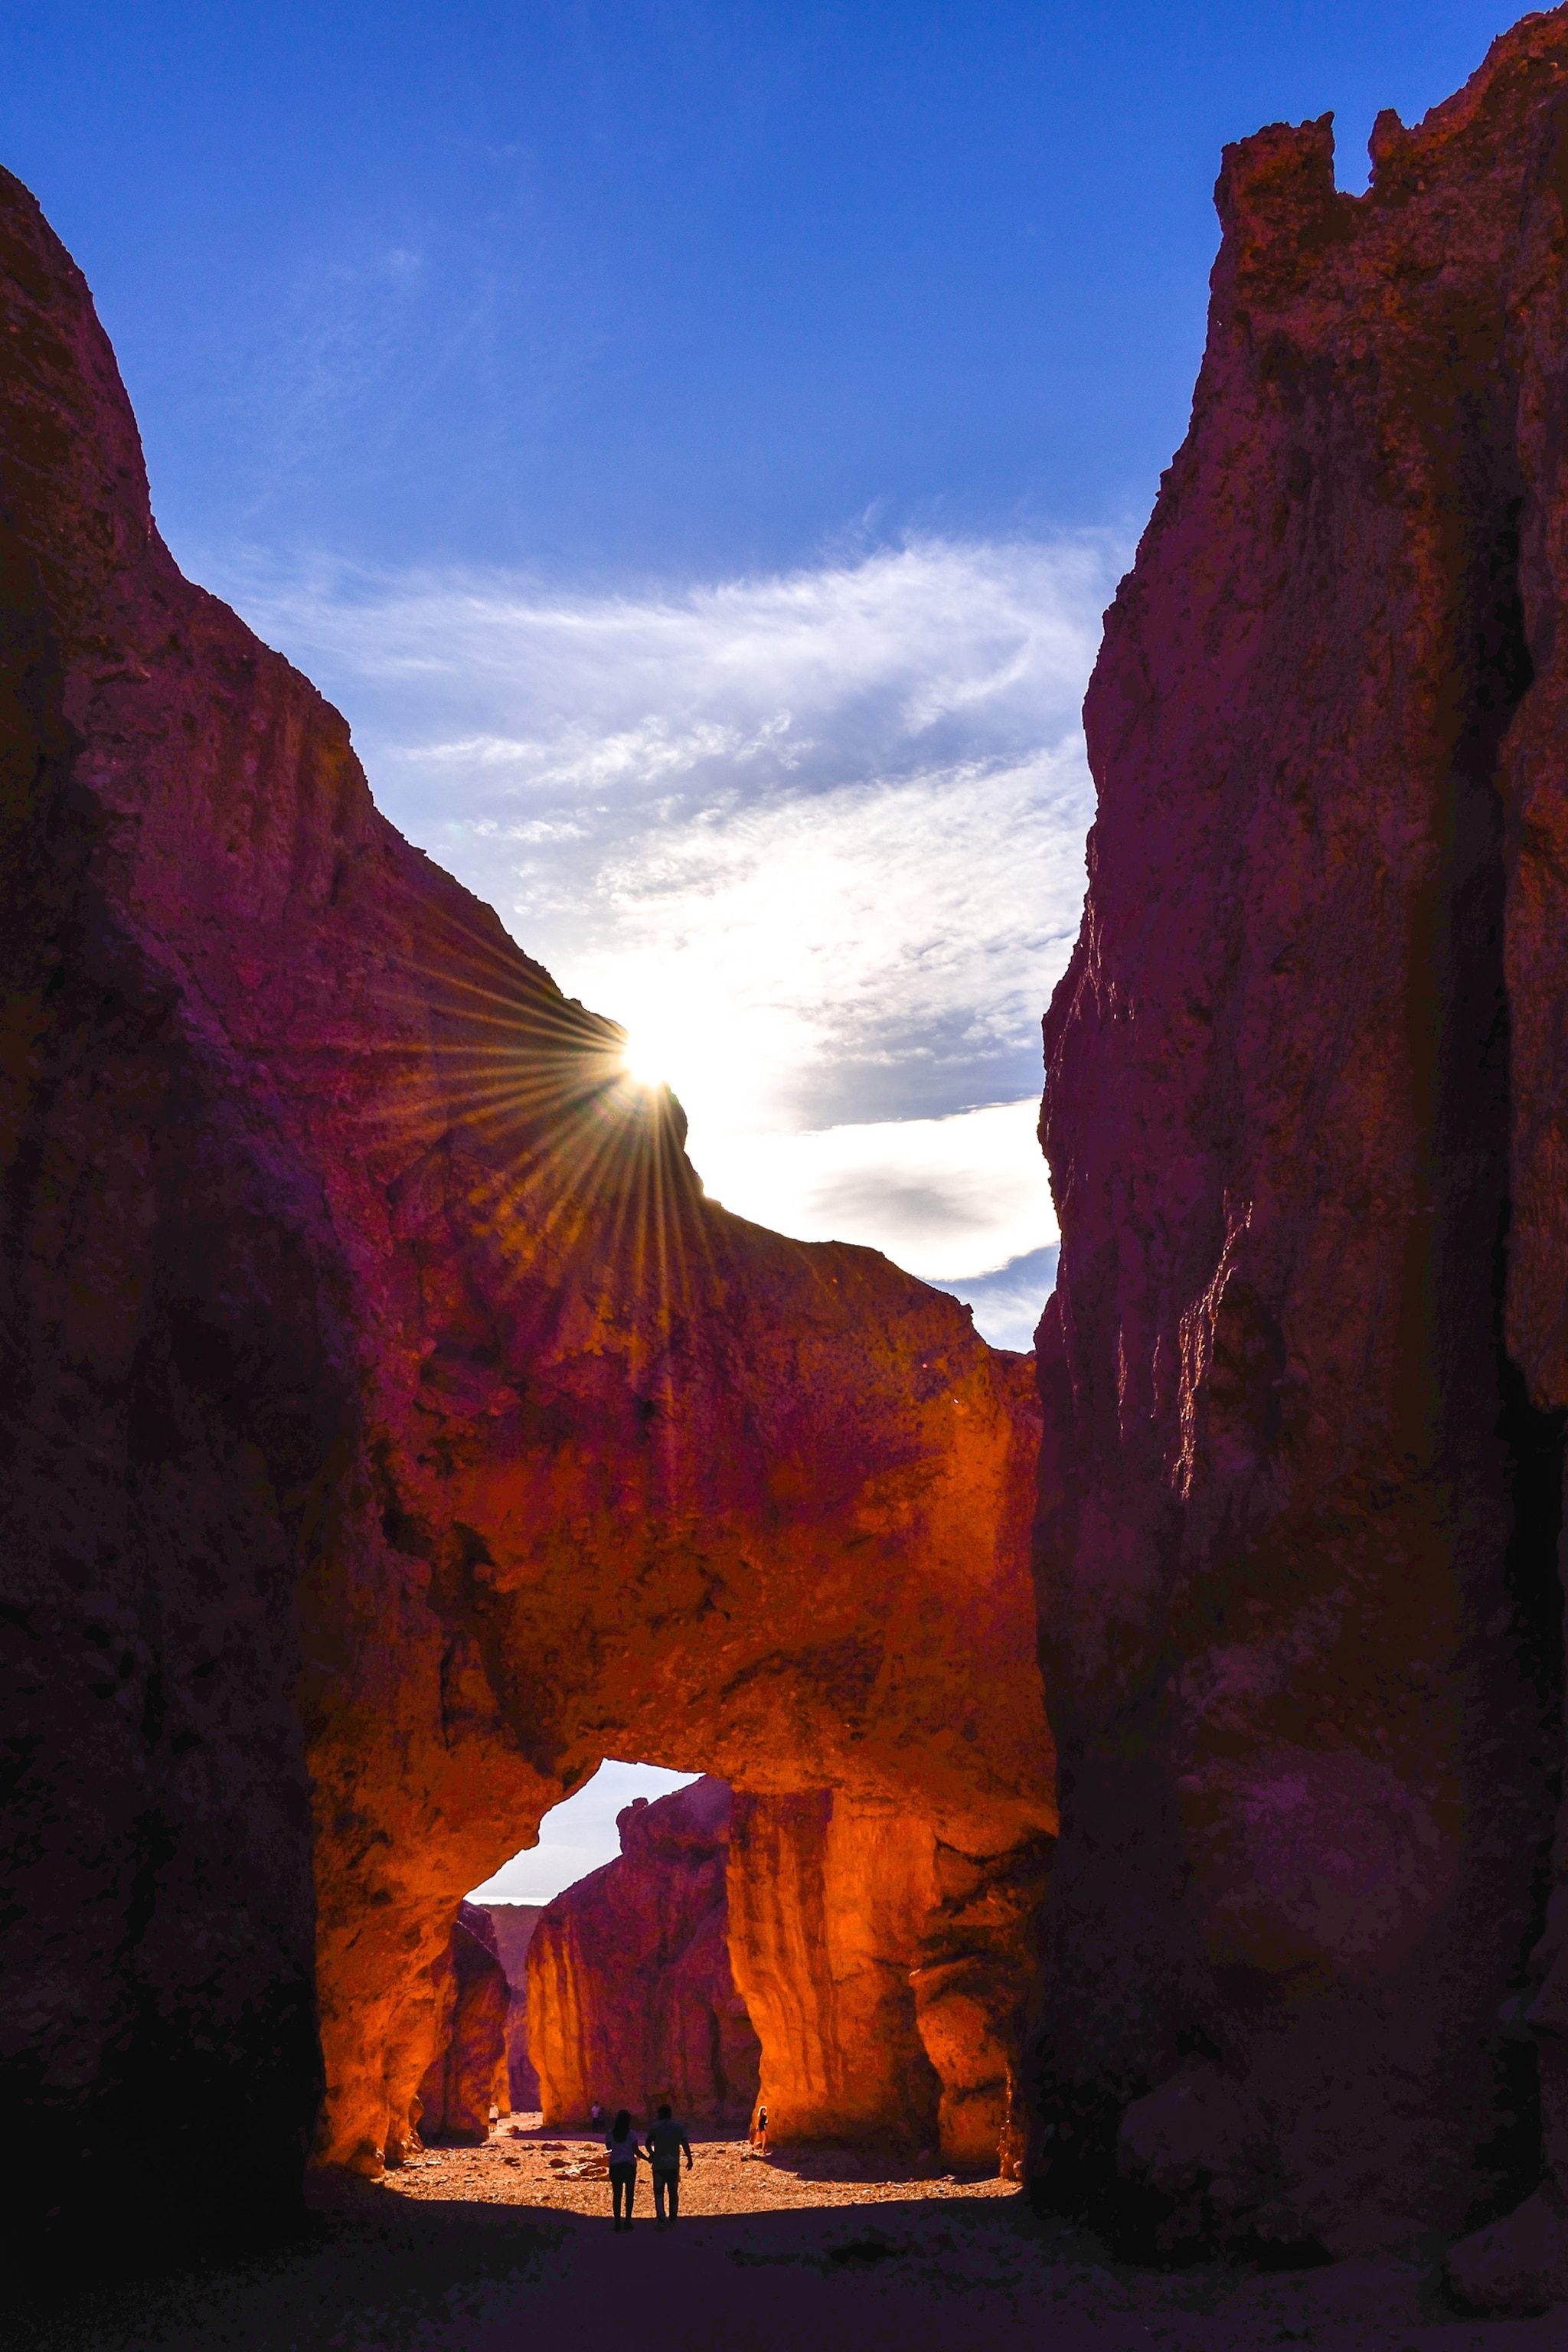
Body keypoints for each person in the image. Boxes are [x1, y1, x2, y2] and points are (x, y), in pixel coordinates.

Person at [645, 2101, 692, 2226]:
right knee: (673, 2192)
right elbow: (685, 2143)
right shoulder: (678, 2127)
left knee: (659, 2192)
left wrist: (653, 2154)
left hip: (659, 2165)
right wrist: (689, 2159)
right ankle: (673, 2216)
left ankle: (661, 2216)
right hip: (673, 2164)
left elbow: (647, 2143)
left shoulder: (655, 2127)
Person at [604, 2108, 646, 2232]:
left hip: (615, 2165)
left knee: (617, 2195)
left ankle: (617, 2222)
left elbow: (608, 2147)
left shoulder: (611, 2133)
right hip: (629, 2166)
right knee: (629, 2194)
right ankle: (628, 2221)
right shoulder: (632, 2134)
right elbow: (636, 2150)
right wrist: (647, 2158)